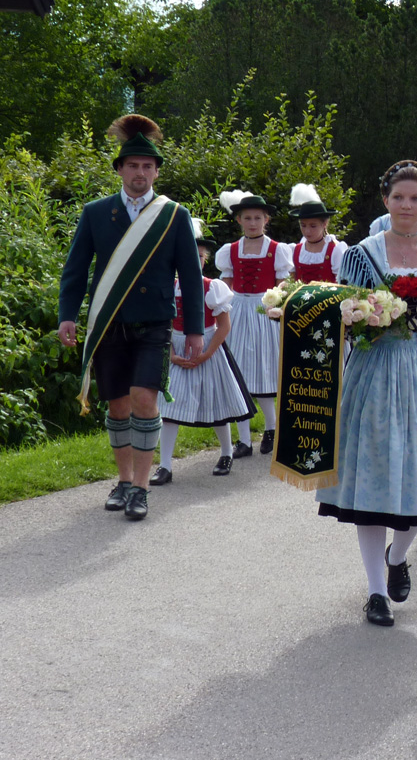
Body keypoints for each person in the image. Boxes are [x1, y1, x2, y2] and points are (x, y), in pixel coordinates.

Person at [316, 161, 417, 626]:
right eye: (398, 197)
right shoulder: (363, 253)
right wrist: (368, 317)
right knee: (374, 477)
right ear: (385, 200)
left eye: (416, 198)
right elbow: (346, 313)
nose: (407, 205)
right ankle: (376, 591)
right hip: (374, 369)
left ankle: (398, 554)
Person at [57, 115, 204, 521]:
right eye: (133, 165)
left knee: (144, 399)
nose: (140, 173)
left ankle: (141, 488)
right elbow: (75, 270)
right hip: (109, 323)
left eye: (148, 166)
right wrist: (67, 315)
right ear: (120, 169)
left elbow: (191, 277)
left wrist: (194, 329)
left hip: (154, 323)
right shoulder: (95, 212)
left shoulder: (173, 214)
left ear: (156, 171)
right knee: (118, 405)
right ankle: (123, 482)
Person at [152, 220, 255, 484]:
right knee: (169, 408)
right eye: (188, 256)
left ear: (205, 260)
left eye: (198, 256)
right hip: (176, 348)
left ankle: (226, 452)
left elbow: (223, 326)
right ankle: (165, 465)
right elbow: (160, 324)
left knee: (216, 403)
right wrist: (171, 354)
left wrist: (207, 353)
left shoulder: (212, 287)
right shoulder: (168, 286)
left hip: (208, 348)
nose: (193, 261)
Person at [215, 190, 293, 457]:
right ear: (239, 220)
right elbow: (226, 283)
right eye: (247, 218)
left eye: (257, 218)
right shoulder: (231, 250)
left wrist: (276, 296)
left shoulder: (276, 249)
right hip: (238, 310)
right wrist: (220, 304)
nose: (252, 223)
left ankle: (271, 429)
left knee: (266, 369)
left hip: (265, 311)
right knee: (241, 374)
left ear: (266, 219)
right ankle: (244, 440)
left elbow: (285, 280)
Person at [288, 184, 347, 282]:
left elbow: (341, 285)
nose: (307, 231)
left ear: (325, 223)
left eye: (313, 226)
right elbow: (291, 283)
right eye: (303, 225)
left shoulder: (335, 250)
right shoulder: (294, 251)